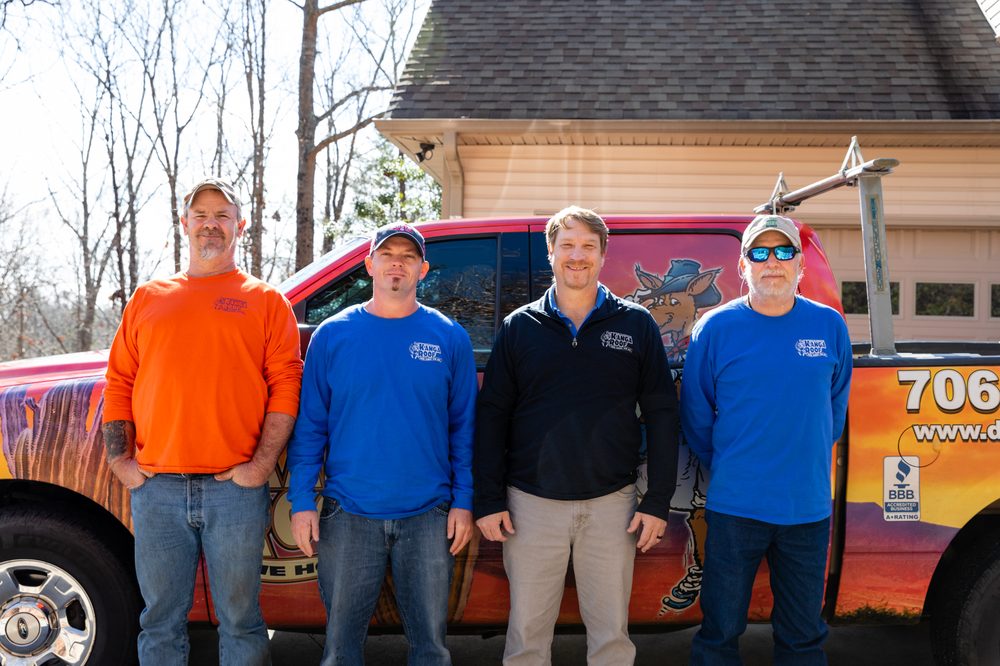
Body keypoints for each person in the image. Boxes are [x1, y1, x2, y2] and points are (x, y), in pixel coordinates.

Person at [102, 177, 303, 665]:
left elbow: (286, 387)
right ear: (184, 222)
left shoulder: (265, 301)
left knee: (241, 620)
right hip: (157, 489)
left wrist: (259, 467)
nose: (210, 225)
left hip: (234, 489)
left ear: (240, 225)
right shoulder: (149, 298)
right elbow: (118, 382)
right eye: (201, 214)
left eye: (221, 215)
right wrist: (120, 462)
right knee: (160, 621)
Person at [474, 206, 680, 665]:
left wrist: (657, 500)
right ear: (550, 252)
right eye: (566, 244)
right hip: (530, 506)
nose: (577, 255)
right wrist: (488, 499)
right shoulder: (520, 327)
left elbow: (663, 413)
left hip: (612, 505)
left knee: (611, 639)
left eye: (588, 245)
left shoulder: (635, 323)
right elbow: (492, 415)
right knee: (526, 638)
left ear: (603, 255)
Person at [286, 222, 477, 665]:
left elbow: (464, 429)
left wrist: (464, 501)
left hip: (430, 516)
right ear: (369, 264)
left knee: (431, 649)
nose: (397, 262)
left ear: (423, 269)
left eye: (408, 256)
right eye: (387, 253)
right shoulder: (333, 336)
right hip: (348, 514)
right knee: (340, 651)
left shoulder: (449, 337)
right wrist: (300, 501)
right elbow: (311, 426)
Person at [681, 214, 853, 665]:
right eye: (760, 252)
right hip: (735, 509)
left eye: (783, 252)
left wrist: (805, 453)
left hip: (807, 511)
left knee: (802, 639)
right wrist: (736, 464)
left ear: (800, 264)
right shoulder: (715, 329)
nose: (771, 262)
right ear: (743, 265)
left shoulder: (830, 326)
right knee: (718, 635)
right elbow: (697, 414)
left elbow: (834, 410)